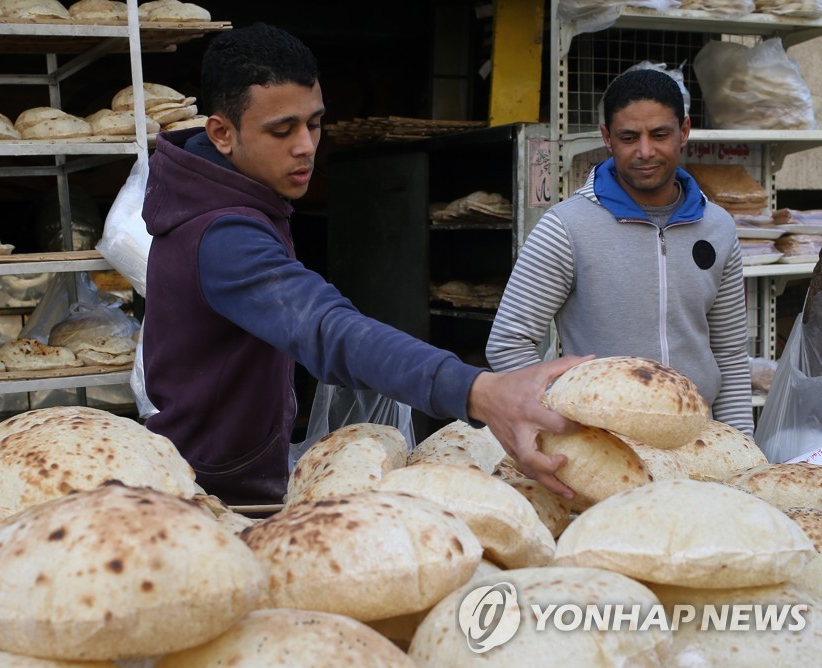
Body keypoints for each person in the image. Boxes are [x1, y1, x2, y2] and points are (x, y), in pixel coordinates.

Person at [140, 22, 588, 505]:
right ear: (222, 133)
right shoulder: (222, 232)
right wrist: (478, 390)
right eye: (281, 130)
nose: (307, 146)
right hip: (210, 493)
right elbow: (326, 329)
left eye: (313, 123)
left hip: (221, 471)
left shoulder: (239, 193)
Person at [486, 68, 753, 436]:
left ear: (684, 131)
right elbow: (508, 343)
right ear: (607, 138)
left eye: (660, 135)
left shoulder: (718, 227)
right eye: (629, 137)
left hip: (697, 437)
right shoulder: (566, 227)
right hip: (605, 441)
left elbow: (730, 355)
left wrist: (742, 449)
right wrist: (565, 421)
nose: (645, 152)